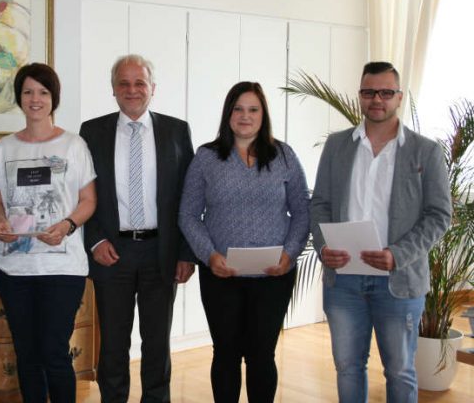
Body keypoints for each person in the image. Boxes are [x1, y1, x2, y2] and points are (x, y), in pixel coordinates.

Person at [311, 61, 452, 402]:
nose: (377, 99)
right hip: (343, 280)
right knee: (347, 368)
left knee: (401, 372)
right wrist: (323, 245)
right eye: (369, 91)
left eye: (386, 92)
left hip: (399, 283)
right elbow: (319, 204)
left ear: (399, 97)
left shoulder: (426, 152)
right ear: (360, 96)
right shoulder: (337, 146)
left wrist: (397, 255)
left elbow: (439, 215)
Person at [178, 81, 310, 402]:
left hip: (273, 276)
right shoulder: (206, 158)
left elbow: (303, 213)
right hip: (221, 275)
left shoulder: (284, 156)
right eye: (238, 109)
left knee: (261, 354)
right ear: (228, 114)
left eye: (253, 109)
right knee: (225, 353)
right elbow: (188, 215)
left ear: (263, 115)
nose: (245, 116)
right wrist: (209, 256)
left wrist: (289, 256)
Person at [79, 54, 196, 403]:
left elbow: (188, 197)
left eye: (139, 83)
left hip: (161, 251)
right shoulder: (92, 132)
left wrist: (186, 253)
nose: (132, 90)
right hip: (112, 252)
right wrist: (95, 239)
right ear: (113, 89)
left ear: (152, 88)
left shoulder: (176, 130)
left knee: (157, 342)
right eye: (124, 83)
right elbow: (84, 191)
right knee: (113, 342)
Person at [0, 63, 97, 402]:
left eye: (43, 92)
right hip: (14, 268)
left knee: (54, 352)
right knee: (27, 355)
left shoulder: (73, 145)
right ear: (19, 98)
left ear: (53, 98)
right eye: (28, 91)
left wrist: (67, 225)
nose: (35, 99)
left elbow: (88, 200)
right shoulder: (5, 147)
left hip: (62, 268)